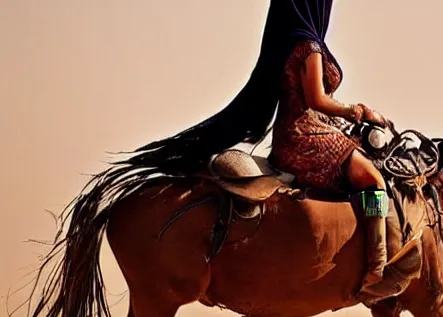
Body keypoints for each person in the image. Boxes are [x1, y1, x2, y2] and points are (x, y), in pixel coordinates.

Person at [121, 0, 398, 296]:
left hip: (303, 133)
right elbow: (316, 99)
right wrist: (358, 111)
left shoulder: (291, 41)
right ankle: (377, 268)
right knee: (374, 180)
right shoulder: (309, 47)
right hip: (307, 137)